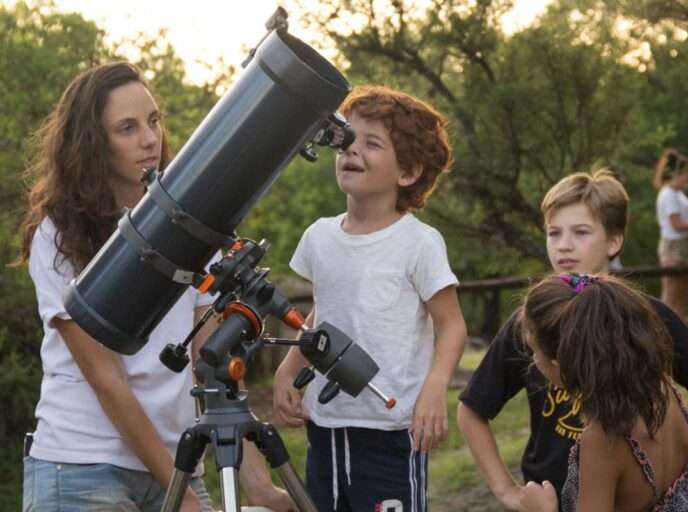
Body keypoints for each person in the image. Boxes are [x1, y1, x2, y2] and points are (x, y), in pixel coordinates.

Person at [18, 62, 294, 512]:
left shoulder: (189, 226)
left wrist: (258, 485)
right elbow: (106, 379)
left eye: (153, 121)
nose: (150, 139)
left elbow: (213, 363)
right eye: (127, 128)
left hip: (177, 464)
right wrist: (180, 495)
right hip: (82, 469)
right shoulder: (59, 233)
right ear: (93, 144)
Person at [457, 170, 688, 510]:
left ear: (614, 241)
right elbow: (472, 410)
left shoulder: (647, 317)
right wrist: (506, 491)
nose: (564, 245)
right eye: (553, 233)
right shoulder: (533, 321)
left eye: (581, 232)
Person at [272, 85, 467, 512]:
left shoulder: (419, 243)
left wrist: (435, 390)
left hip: (391, 430)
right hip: (325, 425)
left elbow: (452, 324)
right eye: (346, 138)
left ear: (408, 172)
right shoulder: (319, 237)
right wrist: (289, 370)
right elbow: (322, 313)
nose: (350, 150)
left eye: (371, 143)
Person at [516, 274, 688, 511]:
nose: (533, 361)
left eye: (534, 351)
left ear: (560, 363)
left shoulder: (603, 439)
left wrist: (543, 509)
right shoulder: (664, 389)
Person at [653, 148, 688, 320]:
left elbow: (687, 220)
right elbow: (676, 225)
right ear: (677, 173)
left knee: (681, 299)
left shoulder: (680, 195)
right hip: (673, 246)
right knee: (671, 297)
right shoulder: (667, 194)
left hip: (685, 245)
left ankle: (678, 337)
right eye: (686, 175)